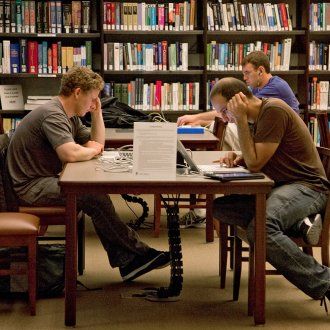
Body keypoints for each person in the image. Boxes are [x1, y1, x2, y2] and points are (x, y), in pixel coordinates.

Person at [7, 66, 170, 282]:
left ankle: (130, 260)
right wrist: (92, 150)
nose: (94, 102)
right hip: (29, 188)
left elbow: (96, 144)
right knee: (91, 196)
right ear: (77, 93)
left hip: (44, 180)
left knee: (93, 195)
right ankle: (136, 255)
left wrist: (97, 113)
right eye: (92, 98)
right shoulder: (53, 115)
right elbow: (69, 153)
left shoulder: (69, 115)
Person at [211, 77, 329, 305]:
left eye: (226, 111)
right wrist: (238, 157)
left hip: (307, 187)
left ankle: (326, 282)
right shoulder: (258, 117)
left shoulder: (273, 110)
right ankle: (299, 224)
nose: (224, 119)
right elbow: (259, 155)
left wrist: (241, 120)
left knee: (261, 229)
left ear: (240, 100)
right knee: (220, 206)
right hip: (280, 187)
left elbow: (256, 163)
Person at [178, 51, 301, 228]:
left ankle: (208, 199)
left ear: (260, 71)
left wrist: (198, 117)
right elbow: (230, 113)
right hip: (270, 147)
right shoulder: (256, 90)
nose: (244, 78)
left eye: (247, 73)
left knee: (223, 129)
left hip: (282, 150)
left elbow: (236, 113)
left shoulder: (274, 91)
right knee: (221, 126)